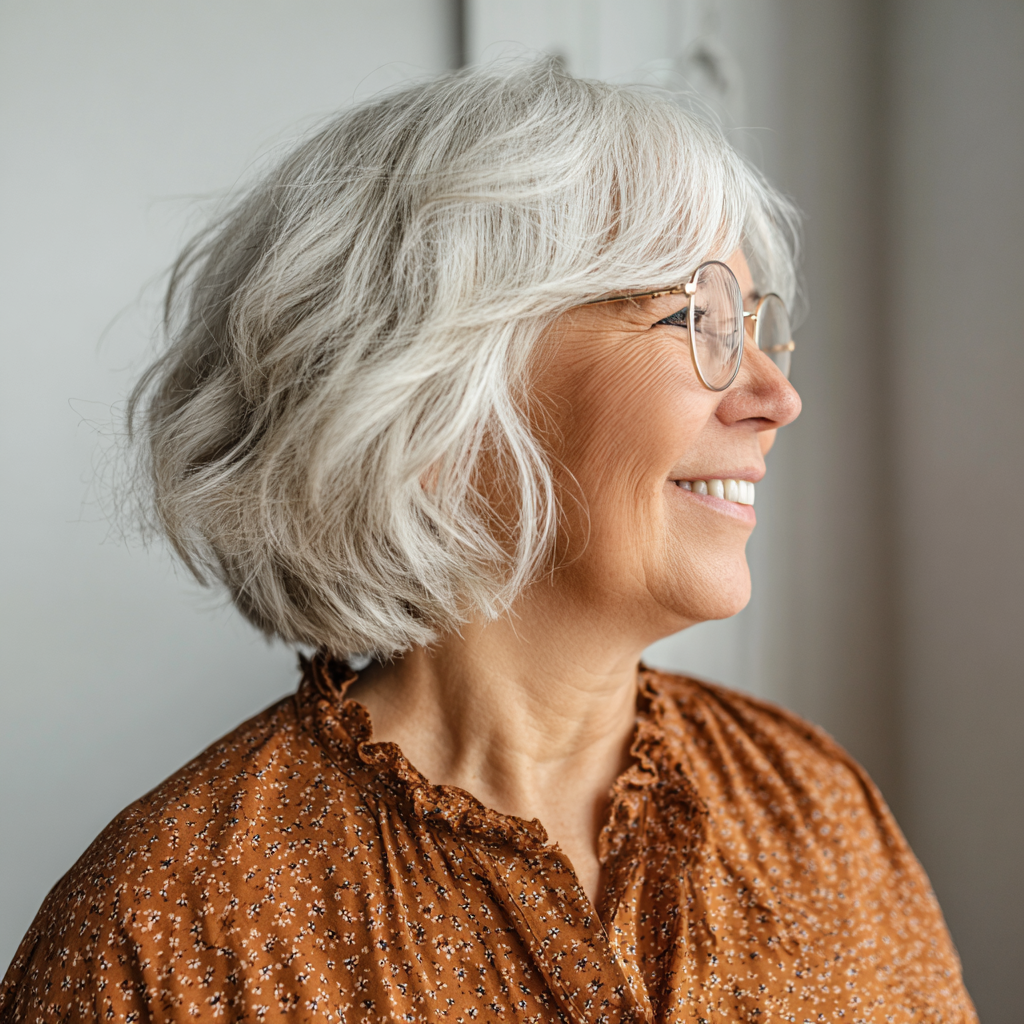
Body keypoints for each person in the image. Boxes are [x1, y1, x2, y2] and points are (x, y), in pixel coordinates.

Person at [0, 59, 976, 1023]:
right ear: (438, 390)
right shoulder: (167, 926)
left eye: (756, 328)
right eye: (695, 319)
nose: (777, 397)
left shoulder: (813, 812)